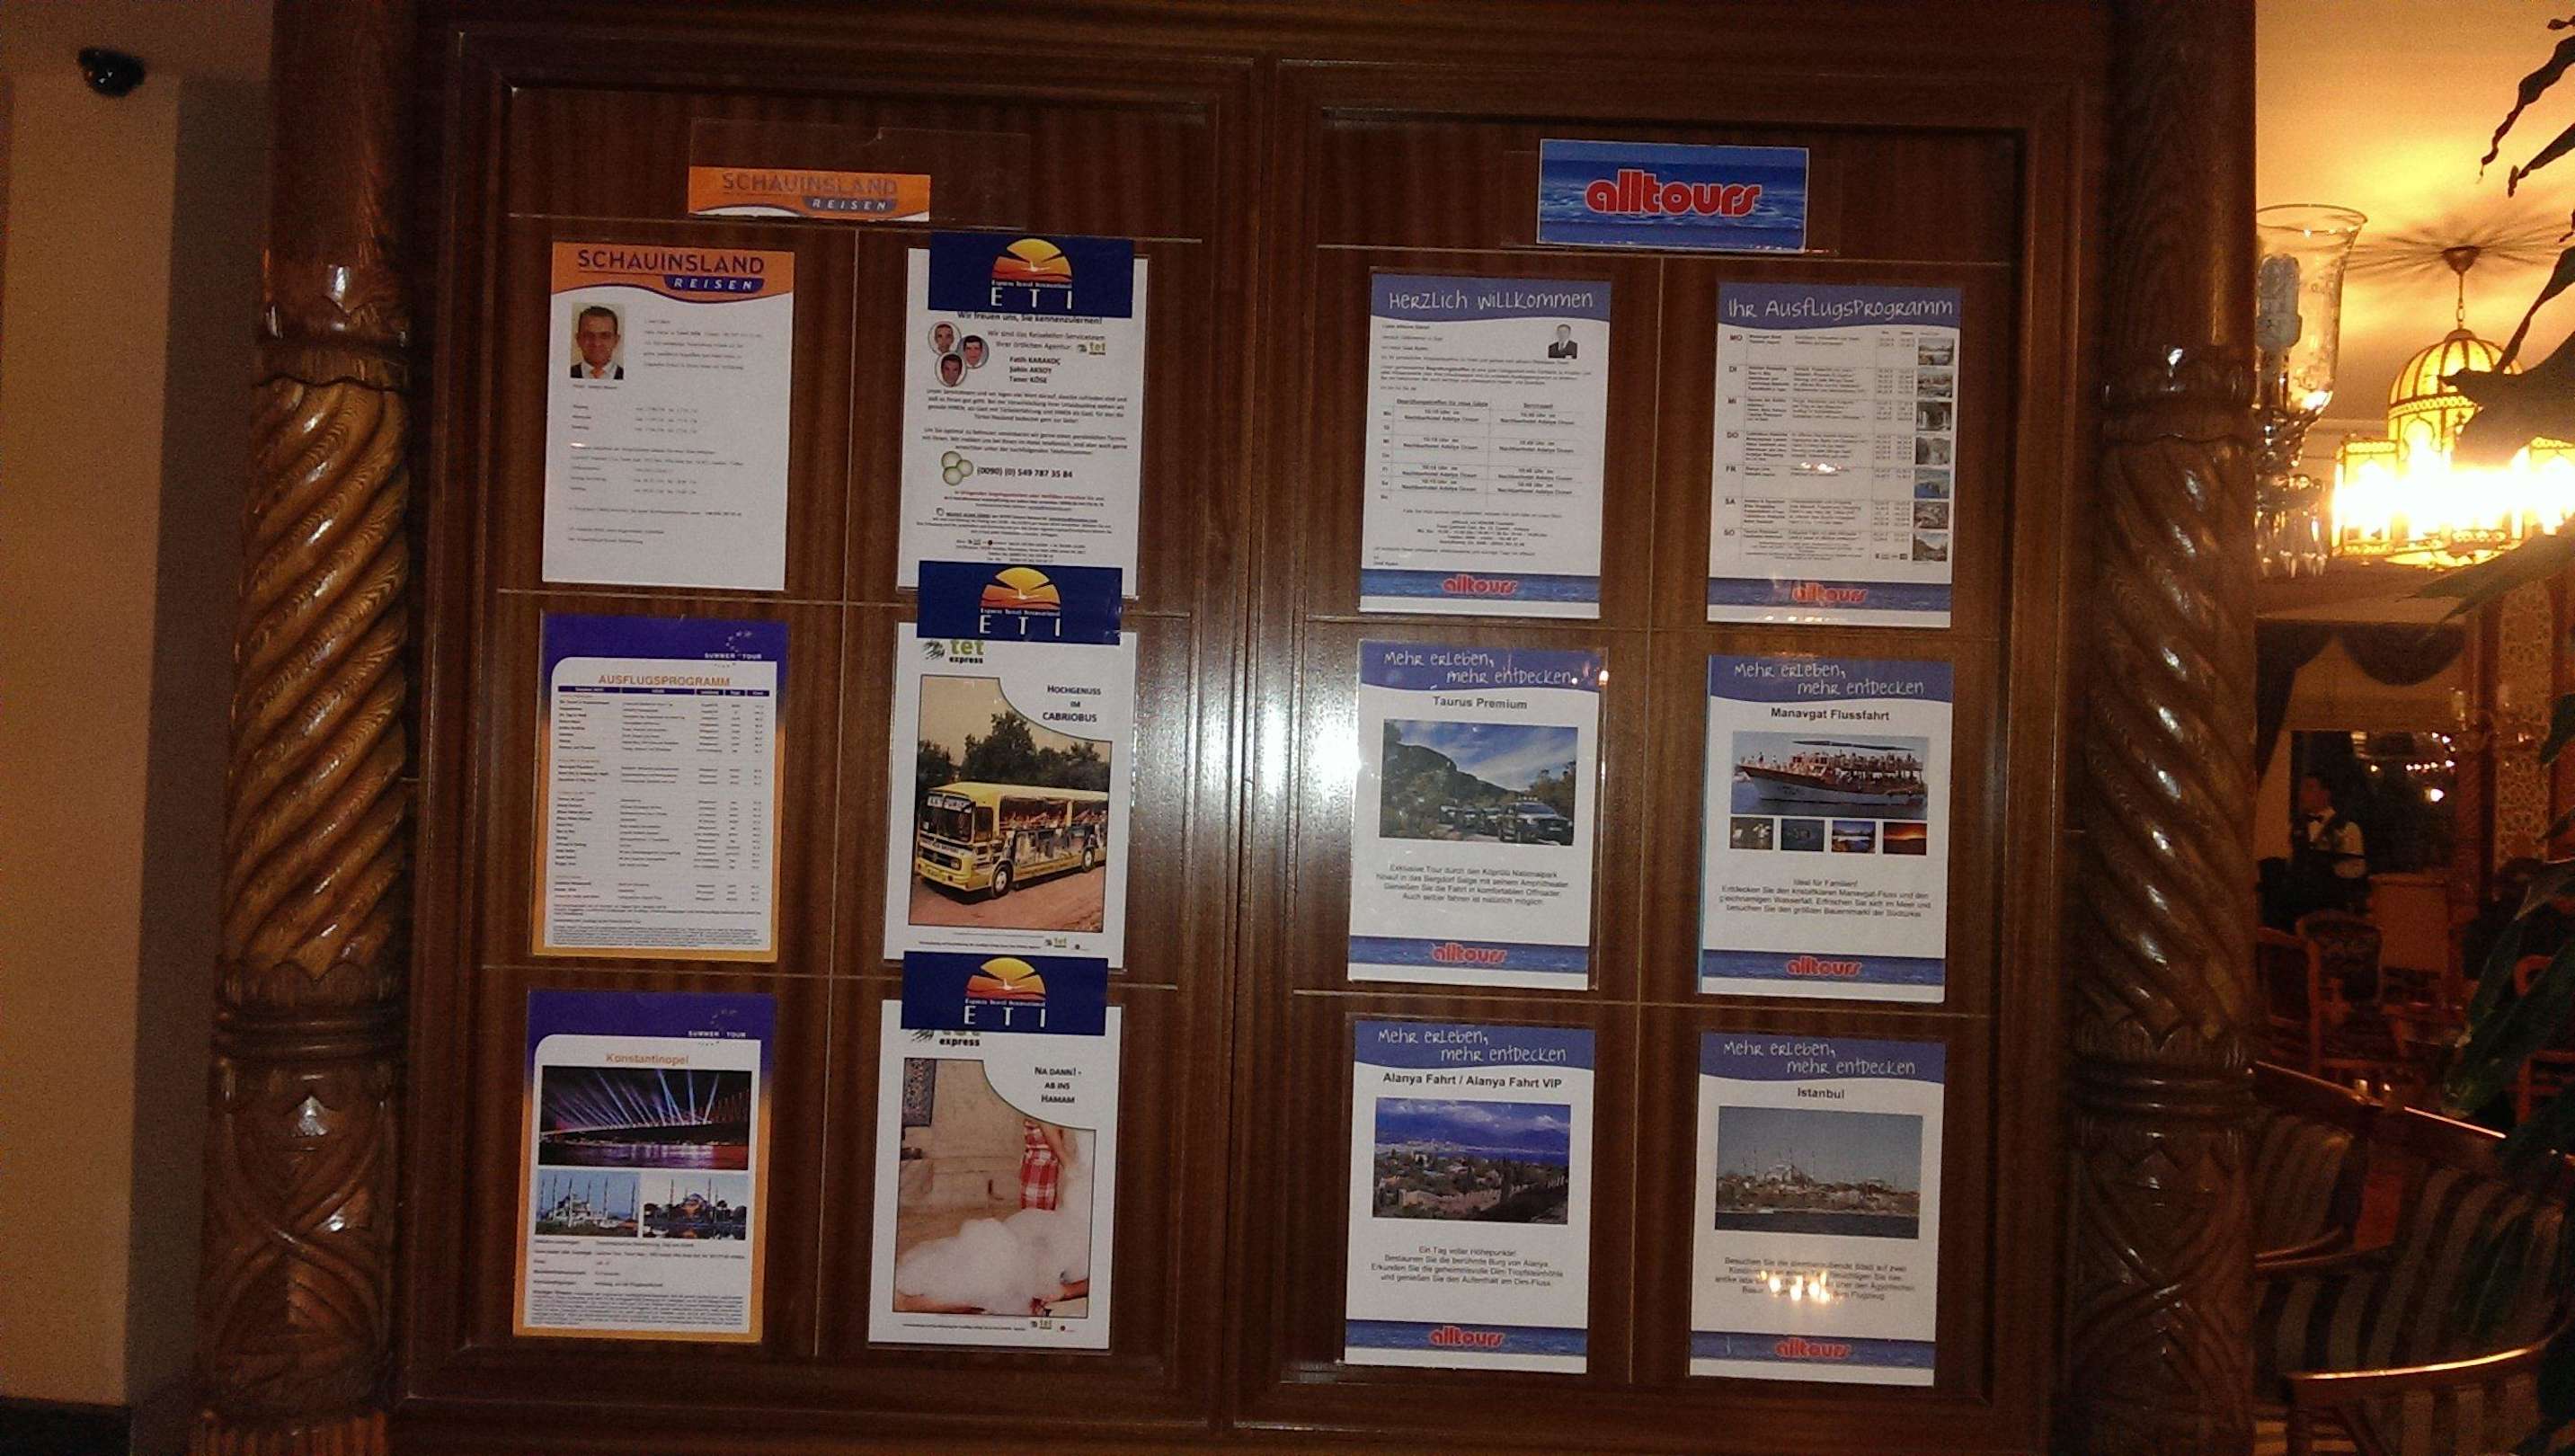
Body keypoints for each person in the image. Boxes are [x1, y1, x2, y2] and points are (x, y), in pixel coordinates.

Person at [2286, 773, 2368, 917]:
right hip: (2299, 903)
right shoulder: (2298, 826)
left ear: (2325, 794)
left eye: (2309, 788)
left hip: (2331, 903)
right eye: (2302, 789)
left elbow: (2358, 868)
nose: (2302, 794)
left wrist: (2330, 869)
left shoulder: (2346, 828)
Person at [1019, 1117, 1067, 1211]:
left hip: (1043, 1169)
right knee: (1036, 1213)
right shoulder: (1044, 1117)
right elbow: (1059, 1150)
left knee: (1040, 1213)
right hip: (1038, 1172)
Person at [571, 305, 623, 379]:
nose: (596, 343)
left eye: (605, 336)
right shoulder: (563, 375)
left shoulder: (631, 377)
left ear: (616, 340)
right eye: (589, 335)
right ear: (578, 339)